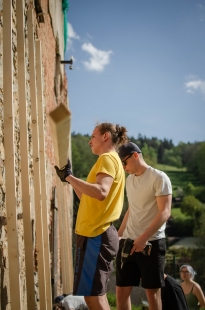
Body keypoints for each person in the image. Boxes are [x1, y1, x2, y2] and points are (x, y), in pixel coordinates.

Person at [55, 122, 128, 310]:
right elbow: (89, 197)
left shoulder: (107, 159)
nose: (89, 142)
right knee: (94, 295)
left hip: (97, 235)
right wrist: (69, 178)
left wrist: (69, 177)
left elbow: (101, 191)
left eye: (93, 137)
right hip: (96, 234)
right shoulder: (111, 161)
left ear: (105, 137)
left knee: (93, 297)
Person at [116, 142, 172, 310]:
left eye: (124, 162)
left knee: (152, 294)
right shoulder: (129, 180)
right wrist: (118, 236)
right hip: (128, 242)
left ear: (135, 155)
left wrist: (143, 239)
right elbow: (131, 210)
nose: (124, 167)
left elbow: (165, 212)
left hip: (151, 243)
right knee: (121, 291)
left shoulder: (159, 177)